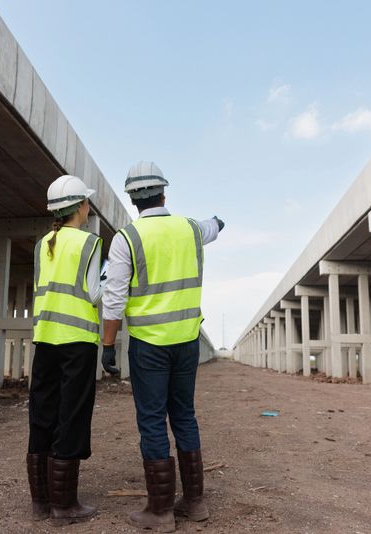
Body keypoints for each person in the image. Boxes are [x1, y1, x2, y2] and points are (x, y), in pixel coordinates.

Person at [101, 161, 224, 532]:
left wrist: (108, 345)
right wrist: (218, 221)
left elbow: (113, 297)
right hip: (187, 341)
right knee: (184, 415)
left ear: (133, 199)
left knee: (152, 420)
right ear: (164, 194)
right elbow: (213, 227)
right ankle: (195, 503)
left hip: (149, 345)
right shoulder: (190, 229)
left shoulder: (127, 238)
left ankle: (160, 511)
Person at [27, 174, 103, 526]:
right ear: (81, 207)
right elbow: (92, 293)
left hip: (45, 338)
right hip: (77, 342)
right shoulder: (90, 244)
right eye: (87, 202)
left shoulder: (43, 244)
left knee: (42, 415)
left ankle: (41, 503)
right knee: (71, 417)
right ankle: (65, 505)